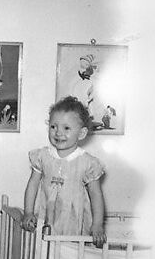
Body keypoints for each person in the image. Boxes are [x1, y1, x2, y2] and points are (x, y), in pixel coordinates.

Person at [21, 96, 106, 247]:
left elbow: (96, 194)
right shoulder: (42, 156)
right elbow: (33, 184)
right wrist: (28, 212)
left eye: (66, 128)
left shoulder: (87, 163)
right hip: (46, 217)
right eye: (53, 126)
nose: (58, 133)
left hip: (74, 222)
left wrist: (97, 224)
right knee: (45, 254)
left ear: (81, 133)